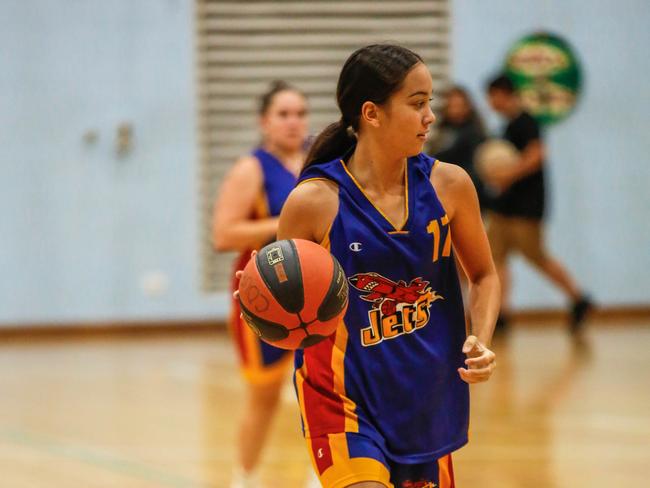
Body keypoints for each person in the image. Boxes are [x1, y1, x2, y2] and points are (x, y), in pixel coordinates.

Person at [276, 44, 500, 488]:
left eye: (429, 102)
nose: (430, 116)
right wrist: (264, 300)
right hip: (342, 398)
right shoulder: (315, 201)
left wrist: (481, 340)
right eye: (417, 104)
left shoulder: (450, 185)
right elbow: (286, 300)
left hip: (425, 396)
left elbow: (484, 275)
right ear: (371, 114)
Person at [212, 81, 311, 488]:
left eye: (301, 113)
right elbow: (223, 234)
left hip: (317, 292)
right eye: (284, 114)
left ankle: (321, 476)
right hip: (263, 297)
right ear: (264, 121)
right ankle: (244, 479)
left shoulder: (320, 164)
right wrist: (291, 219)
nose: (294, 122)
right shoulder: (250, 168)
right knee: (265, 398)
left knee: (324, 389)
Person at [484, 74, 592, 334]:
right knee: (495, 258)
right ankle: (501, 314)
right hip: (504, 207)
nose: (490, 102)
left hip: (526, 208)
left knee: (537, 257)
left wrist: (507, 176)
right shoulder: (508, 126)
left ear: (504, 94)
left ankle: (578, 298)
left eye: (493, 96)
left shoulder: (527, 122)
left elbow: (536, 156)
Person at [428, 85, 488, 209]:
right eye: (452, 106)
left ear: (467, 106)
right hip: (441, 192)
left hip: (468, 192)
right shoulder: (443, 130)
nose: (456, 110)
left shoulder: (474, 132)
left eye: (459, 105)